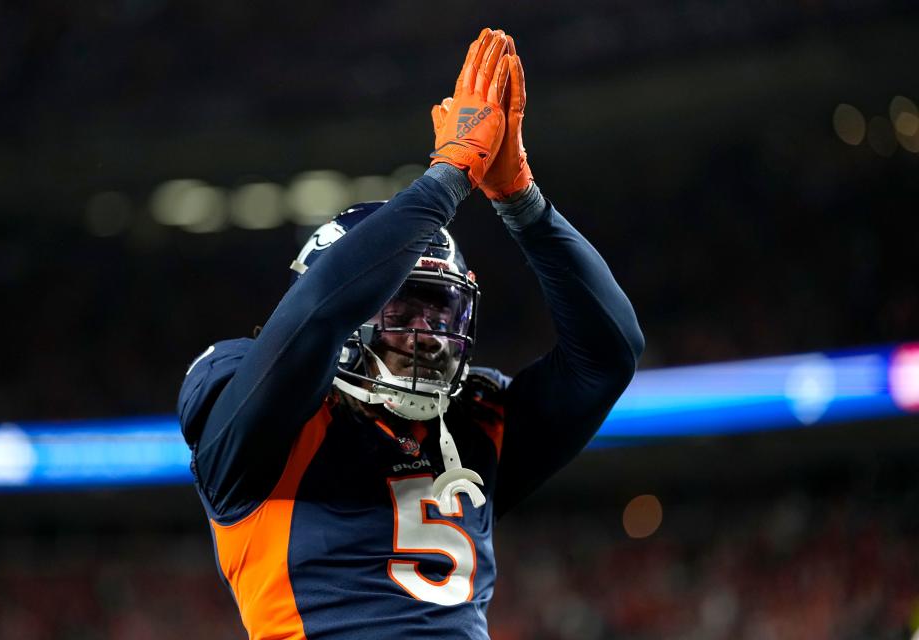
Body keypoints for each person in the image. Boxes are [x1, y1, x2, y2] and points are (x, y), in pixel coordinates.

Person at [177, 28, 643, 640]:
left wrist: (521, 201)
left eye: (441, 309)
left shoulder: (475, 422)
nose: (426, 332)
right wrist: (448, 176)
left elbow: (609, 356)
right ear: (358, 298)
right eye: (404, 306)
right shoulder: (250, 410)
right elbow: (317, 312)